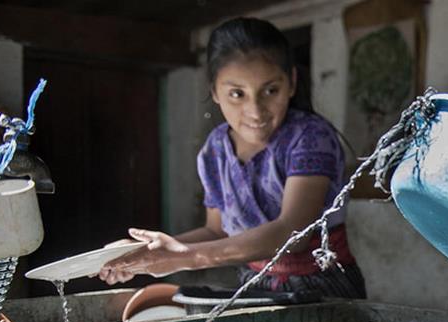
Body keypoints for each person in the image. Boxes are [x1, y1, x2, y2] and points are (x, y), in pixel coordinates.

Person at [100, 17, 365, 298]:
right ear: (214, 91)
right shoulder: (215, 150)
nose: (256, 111)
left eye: (270, 90)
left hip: (324, 289)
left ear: (292, 82)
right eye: (237, 94)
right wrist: (146, 253)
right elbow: (217, 232)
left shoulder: (310, 137)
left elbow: (293, 234)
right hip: (254, 285)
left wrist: (184, 257)